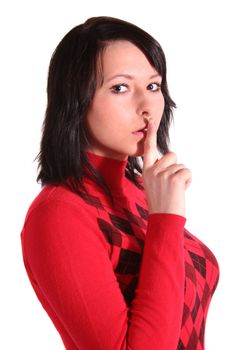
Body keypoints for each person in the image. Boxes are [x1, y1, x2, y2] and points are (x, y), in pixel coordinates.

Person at [20, 16, 219, 350]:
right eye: (120, 88)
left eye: (153, 86)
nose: (147, 107)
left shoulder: (143, 191)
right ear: (76, 101)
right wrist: (166, 220)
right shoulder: (58, 214)